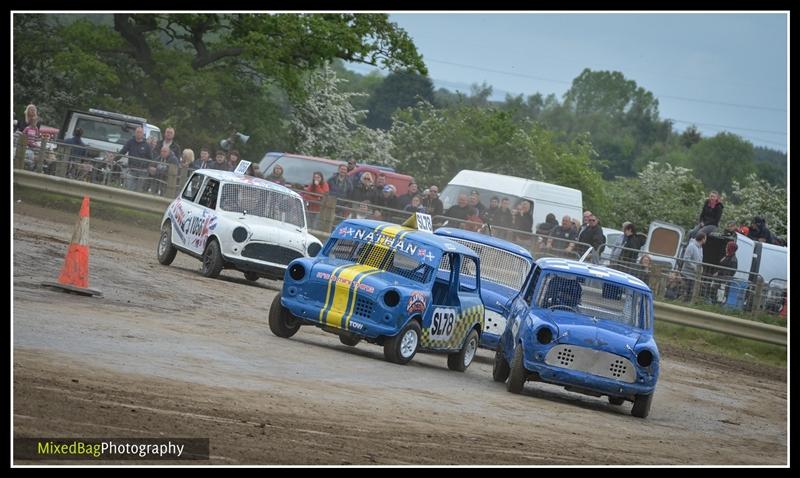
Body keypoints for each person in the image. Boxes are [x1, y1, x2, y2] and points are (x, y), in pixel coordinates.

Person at [118, 127, 152, 191]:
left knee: (138, 190)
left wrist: (147, 166)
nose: (139, 134)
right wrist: (114, 158)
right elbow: (122, 152)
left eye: (140, 132)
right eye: (137, 132)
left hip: (142, 171)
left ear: (143, 134)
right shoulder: (130, 142)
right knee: (129, 188)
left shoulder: (147, 145)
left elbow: (150, 159)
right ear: (135, 133)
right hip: (132, 169)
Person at [680, 232, 706, 301]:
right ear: (702, 239)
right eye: (705, 238)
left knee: (691, 292)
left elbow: (700, 260)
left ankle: (687, 303)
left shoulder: (701, 248)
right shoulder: (691, 246)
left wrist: (700, 267)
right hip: (687, 274)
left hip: (694, 275)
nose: (706, 240)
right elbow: (686, 258)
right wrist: (694, 267)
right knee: (685, 291)